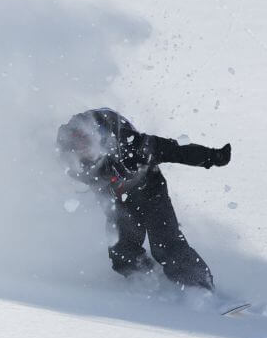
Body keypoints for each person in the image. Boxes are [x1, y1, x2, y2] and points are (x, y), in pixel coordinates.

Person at [56, 108, 231, 291]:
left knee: (166, 245)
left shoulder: (131, 146)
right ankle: (148, 282)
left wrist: (211, 156)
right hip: (117, 201)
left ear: (97, 138)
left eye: (86, 142)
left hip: (150, 190)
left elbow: (174, 151)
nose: (83, 149)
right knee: (122, 251)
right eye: (78, 146)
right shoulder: (71, 162)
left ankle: (200, 287)